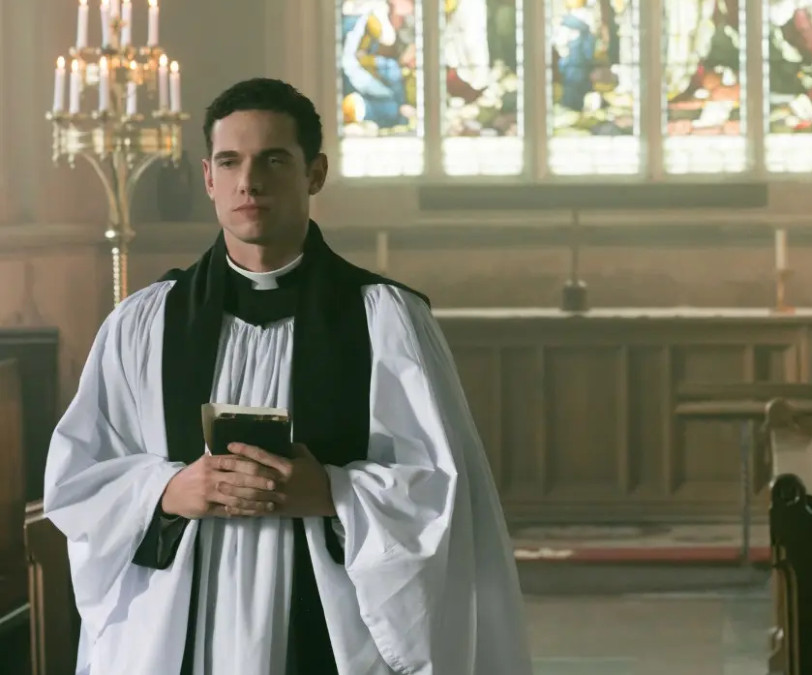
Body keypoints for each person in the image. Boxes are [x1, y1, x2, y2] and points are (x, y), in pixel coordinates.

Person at [42, 77, 534, 675]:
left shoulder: (385, 320)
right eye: (230, 161)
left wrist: (332, 492)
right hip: (186, 625)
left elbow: (442, 490)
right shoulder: (144, 324)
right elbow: (80, 481)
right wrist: (169, 492)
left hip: (329, 623)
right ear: (208, 178)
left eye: (273, 159)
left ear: (315, 173)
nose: (249, 181)